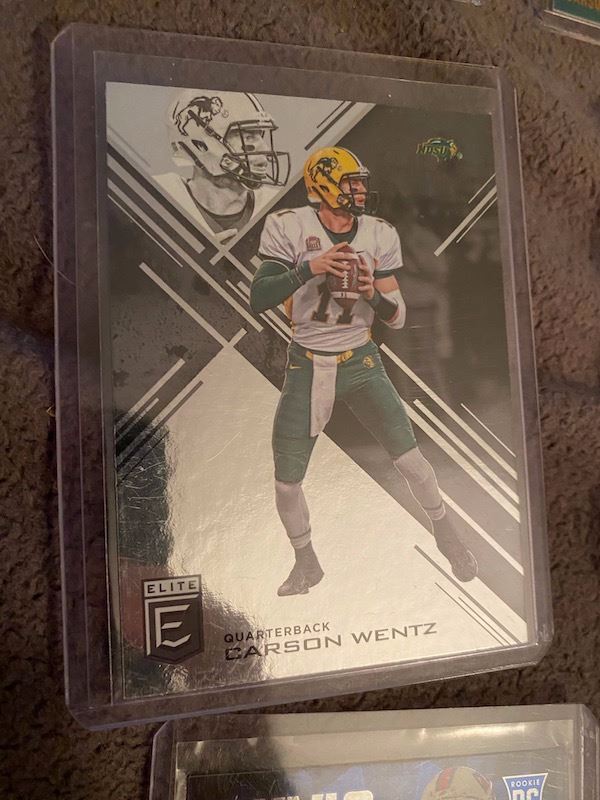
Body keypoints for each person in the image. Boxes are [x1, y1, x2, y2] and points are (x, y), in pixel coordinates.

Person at [251, 146, 478, 597]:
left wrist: (372, 292)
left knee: (413, 463)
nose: (360, 191)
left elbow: (398, 317)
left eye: (360, 182)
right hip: (308, 364)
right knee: (286, 483)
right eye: (351, 183)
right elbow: (259, 297)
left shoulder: (378, 232)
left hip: (361, 361)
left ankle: (446, 533)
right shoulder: (288, 225)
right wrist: (309, 268)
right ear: (323, 185)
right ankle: (307, 563)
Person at [155, 90, 290, 243]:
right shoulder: (162, 198)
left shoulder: (277, 210)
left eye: (260, 135)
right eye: (247, 137)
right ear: (200, 145)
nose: (265, 148)